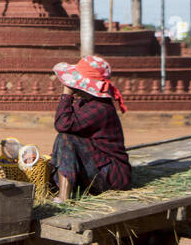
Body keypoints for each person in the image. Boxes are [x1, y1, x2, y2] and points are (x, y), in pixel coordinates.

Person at [50, 56, 133, 202]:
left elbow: (63, 125)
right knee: (65, 139)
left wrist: (66, 95)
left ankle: (63, 198)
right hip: (99, 164)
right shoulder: (86, 102)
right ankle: (63, 188)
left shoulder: (100, 108)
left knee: (65, 138)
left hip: (113, 175)